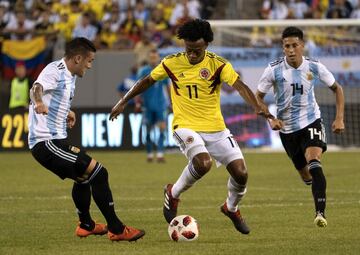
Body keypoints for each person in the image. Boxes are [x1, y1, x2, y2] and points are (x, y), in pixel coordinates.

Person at [110, 19, 272, 234]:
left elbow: (239, 86)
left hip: (216, 128)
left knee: (241, 174)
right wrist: (124, 101)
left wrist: (257, 106)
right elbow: (147, 80)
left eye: (196, 50)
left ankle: (231, 208)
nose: (192, 55)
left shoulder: (219, 65)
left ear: (206, 44)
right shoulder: (172, 62)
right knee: (203, 163)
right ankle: (173, 193)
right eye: (188, 49)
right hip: (184, 125)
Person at [28, 37, 145, 242]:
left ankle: (86, 225)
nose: (90, 66)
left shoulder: (69, 76)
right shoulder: (55, 69)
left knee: (83, 178)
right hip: (45, 143)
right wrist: (38, 102)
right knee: (99, 173)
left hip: (55, 141)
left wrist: (67, 112)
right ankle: (117, 230)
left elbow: (54, 97)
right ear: (78, 58)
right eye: (89, 61)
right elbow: (36, 88)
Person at [256, 26, 345, 228]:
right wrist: (271, 117)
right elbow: (258, 97)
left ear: (302, 45)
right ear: (283, 47)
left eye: (295, 45)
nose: (291, 50)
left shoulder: (314, 66)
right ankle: (314, 186)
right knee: (305, 174)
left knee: (314, 163)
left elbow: (337, 89)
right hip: (287, 130)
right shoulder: (273, 69)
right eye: (287, 46)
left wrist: (339, 118)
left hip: (311, 120)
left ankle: (320, 214)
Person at [137, 49, 170, 163]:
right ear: (148, 58)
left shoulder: (162, 71)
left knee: (162, 128)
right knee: (148, 130)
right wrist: (137, 102)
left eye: (155, 57)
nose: (153, 59)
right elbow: (138, 87)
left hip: (160, 105)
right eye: (151, 57)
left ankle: (160, 154)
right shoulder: (143, 71)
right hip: (147, 105)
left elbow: (168, 87)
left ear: (158, 57)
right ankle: (150, 154)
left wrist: (171, 103)